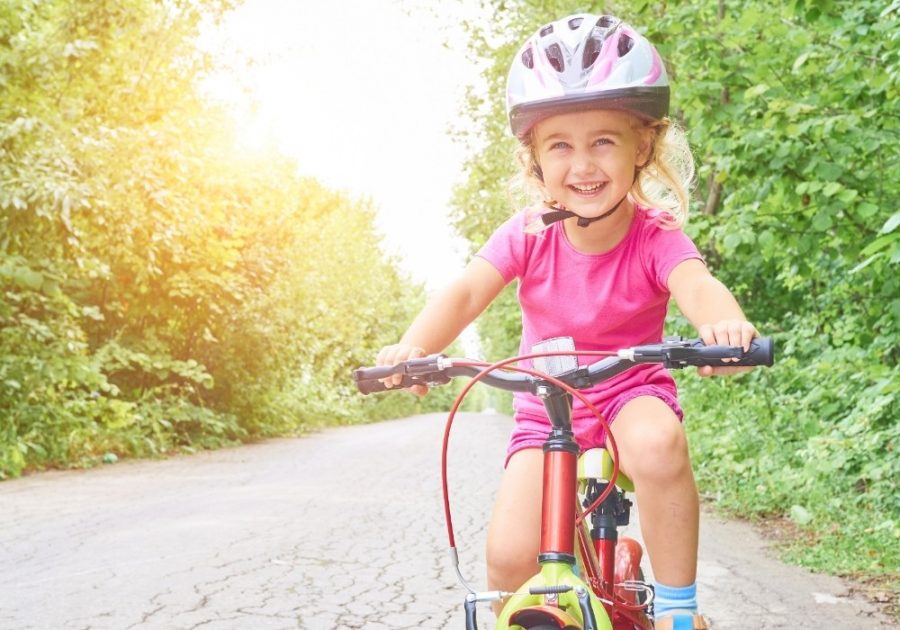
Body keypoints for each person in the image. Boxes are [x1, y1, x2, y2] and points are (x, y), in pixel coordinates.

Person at [377, 13, 758, 630]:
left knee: (658, 445)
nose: (583, 164)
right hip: (545, 405)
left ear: (643, 147)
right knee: (506, 560)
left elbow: (697, 284)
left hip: (629, 392)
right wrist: (412, 348)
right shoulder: (526, 236)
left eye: (603, 140)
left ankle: (680, 612)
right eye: (561, 145)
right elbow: (468, 290)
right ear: (535, 159)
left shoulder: (652, 236)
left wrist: (726, 327)